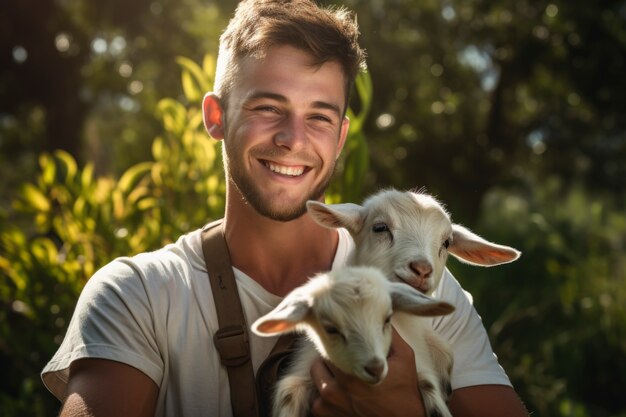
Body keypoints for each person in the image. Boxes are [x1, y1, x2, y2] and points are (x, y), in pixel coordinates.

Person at [41, 0, 529, 416]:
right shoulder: (141, 296)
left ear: (340, 138)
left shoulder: (429, 292)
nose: (293, 140)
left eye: (319, 116)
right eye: (267, 108)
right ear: (215, 117)